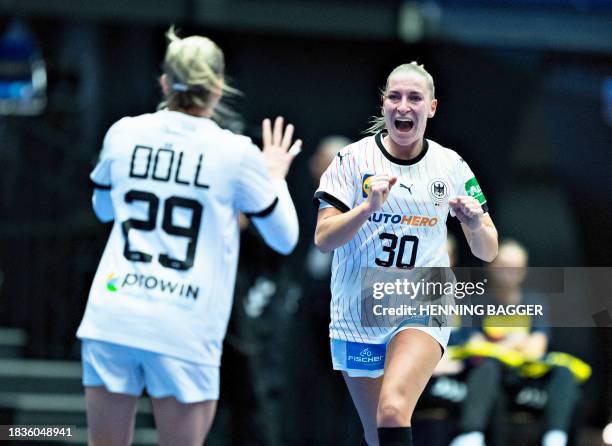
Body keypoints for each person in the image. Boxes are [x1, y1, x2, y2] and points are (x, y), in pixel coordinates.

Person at [76, 27, 302, 446]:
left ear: (164, 82)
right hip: (183, 324)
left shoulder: (123, 132)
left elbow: (103, 209)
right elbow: (285, 238)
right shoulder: (235, 153)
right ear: (218, 88)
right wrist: (275, 175)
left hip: (114, 314)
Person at [313, 62, 498, 446]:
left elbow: (489, 250)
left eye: (415, 98)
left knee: (394, 409)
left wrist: (475, 223)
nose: (403, 106)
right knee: (377, 433)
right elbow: (324, 238)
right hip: (358, 307)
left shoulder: (450, 165)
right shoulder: (352, 160)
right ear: (383, 105)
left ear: (431, 107)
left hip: (422, 297)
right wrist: (366, 207)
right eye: (395, 97)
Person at [449, 240, 581, 446]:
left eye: (516, 267)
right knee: (486, 367)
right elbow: (475, 346)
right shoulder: (475, 302)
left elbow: (537, 348)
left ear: (524, 270)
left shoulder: (534, 302)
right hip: (491, 375)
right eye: (503, 265)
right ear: (491, 267)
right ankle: (471, 436)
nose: (509, 272)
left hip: (526, 373)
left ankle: (555, 438)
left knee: (564, 371)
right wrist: (516, 342)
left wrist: (497, 344)